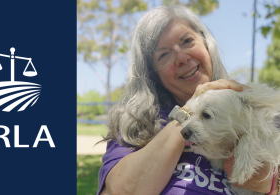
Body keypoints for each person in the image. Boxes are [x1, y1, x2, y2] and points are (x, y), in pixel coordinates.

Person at [97, 5, 279, 195]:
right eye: (164, 54)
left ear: (207, 44)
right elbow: (120, 191)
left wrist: (272, 185)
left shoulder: (247, 103)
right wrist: (188, 112)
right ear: (153, 74)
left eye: (187, 41)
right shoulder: (137, 124)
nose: (182, 58)